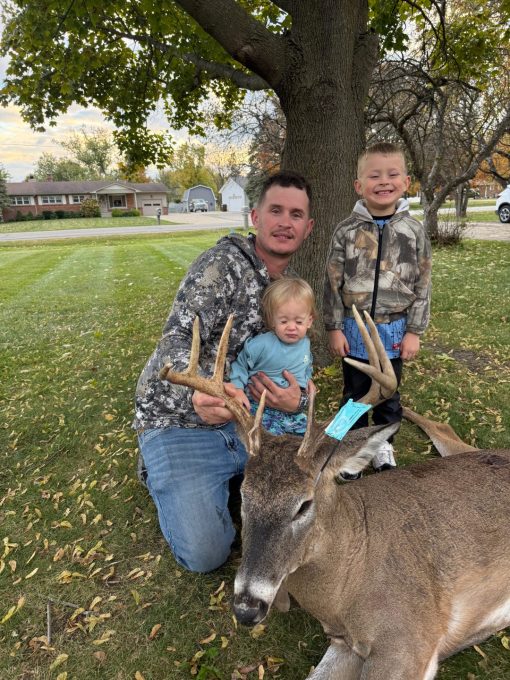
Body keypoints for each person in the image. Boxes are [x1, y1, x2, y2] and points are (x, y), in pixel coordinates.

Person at [134, 171, 314, 573]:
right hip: (180, 420)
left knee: (314, 488)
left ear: (308, 227)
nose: (285, 222)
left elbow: (296, 362)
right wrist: (195, 392)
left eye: (296, 214)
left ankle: (230, 479)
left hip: (249, 420)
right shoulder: (222, 266)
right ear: (255, 217)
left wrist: (298, 399)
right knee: (206, 554)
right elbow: (176, 337)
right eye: (276, 211)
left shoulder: (289, 290)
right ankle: (156, 464)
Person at [323, 142, 432, 478]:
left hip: (394, 330)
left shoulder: (414, 231)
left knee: (388, 395)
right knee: (353, 394)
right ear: (359, 185)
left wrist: (414, 331)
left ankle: (383, 444)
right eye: (374, 176)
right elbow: (332, 282)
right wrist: (333, 327)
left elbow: (423, 283)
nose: (384, 181)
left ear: (406, 182)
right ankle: (348, 450)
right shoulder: (346, 231)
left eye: (392, 174)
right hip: (355, 329)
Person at [229, 277, 316, 436]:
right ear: (272, 320)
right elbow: (240, 364)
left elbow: (307, 363)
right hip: (260, 407)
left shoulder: (305, 343)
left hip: (292, 412)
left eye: (298, 322)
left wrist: (307, 379)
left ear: (309, 321)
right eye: (283, 321)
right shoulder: (262, 344)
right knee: (271, 439)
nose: (291, 327)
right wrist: (237, 390)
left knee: (311, 436)